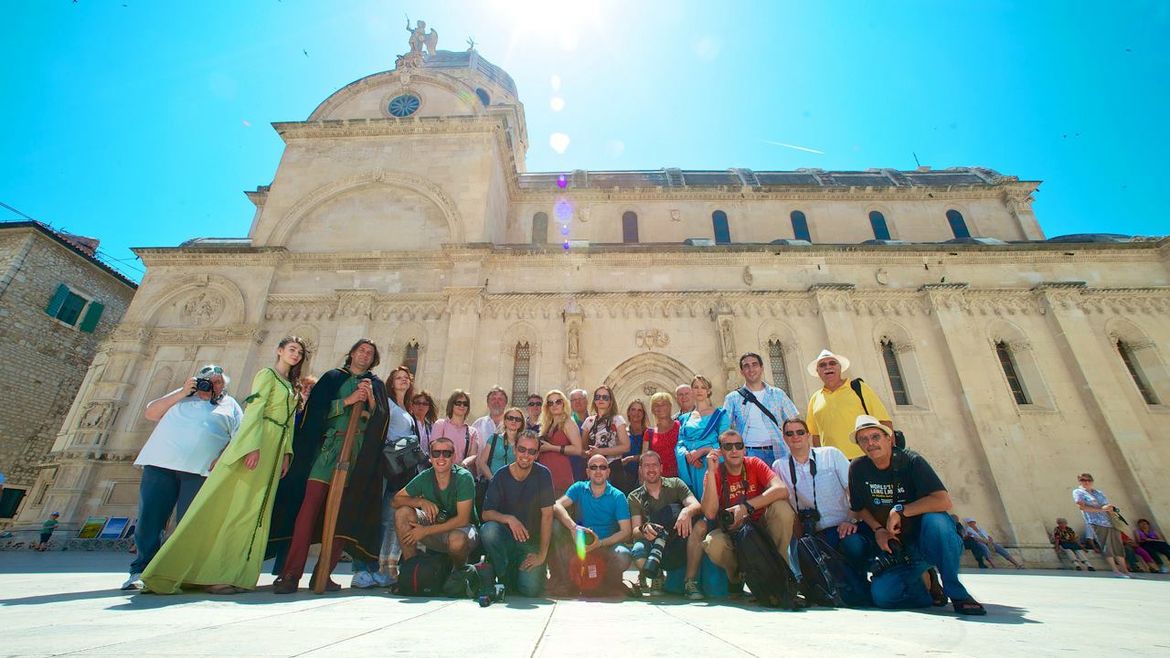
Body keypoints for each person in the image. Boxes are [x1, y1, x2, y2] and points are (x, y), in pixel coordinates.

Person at [142, 337, 306, 594]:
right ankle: (208, 573)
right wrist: (251, 445)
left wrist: (286, 453)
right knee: (234, 509)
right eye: (292, 350)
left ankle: (234, 572)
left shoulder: (289, 385)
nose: (296, 355)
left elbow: (287, 423)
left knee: (252, 513)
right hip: (259, 446)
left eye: (300, 352)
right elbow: (255, 410)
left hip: (275, 449)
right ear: (280, 351)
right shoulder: (267, 375)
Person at [270, 339, 389, 594]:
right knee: (308, 510)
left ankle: (324, 573)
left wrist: (370, 402)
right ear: (352, 353)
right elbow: (315, 413)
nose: (365, 355)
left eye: (370, 353)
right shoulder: (333, 378)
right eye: (361, 350)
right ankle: (291, 573)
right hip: (328, 451)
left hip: (356, 454)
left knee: (342, 515)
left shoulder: (376, 385)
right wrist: (348, 401)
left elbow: (380, 421)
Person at [848, 415, 986, 615]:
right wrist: (878, 530)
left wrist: (901, 511)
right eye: (864, 439)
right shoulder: (858, 468)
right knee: (884, 597)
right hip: (897, 549)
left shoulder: (911, 461)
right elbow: (859, 507)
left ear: (889, 439)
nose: (871, 443)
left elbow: (943, 501)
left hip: (925, 542)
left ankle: (957, 593)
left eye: (875, 437)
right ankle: (927, 587)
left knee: (937, 520)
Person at [123, 364, 243, 590]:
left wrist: (222, 457)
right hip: (160, 465)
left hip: (200, 471)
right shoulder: (180, 397)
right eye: (208, 381)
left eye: (218, 382)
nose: (213, 385)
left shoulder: (230, 405)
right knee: (150, 518)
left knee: (190, 523)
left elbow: (240, 436)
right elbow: (151, 412)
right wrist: (182, 391)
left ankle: (183, 571)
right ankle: (140, 570)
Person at [700, 429, 797, 592]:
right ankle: (738, 577)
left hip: (760, 524)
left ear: (744, 449)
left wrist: (745, 508)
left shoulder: (754, 463)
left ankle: (779, 570)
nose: (734, 450)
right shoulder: (714, 473)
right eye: (728, 446)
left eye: (738, 445)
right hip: (734, 531)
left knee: (782, 509)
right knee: (713, 543)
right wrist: (711, 472)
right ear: (720, 451)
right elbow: (709, 513)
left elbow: (781, 489)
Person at [773, 418, 869, 575]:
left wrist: (850, 520)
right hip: (813, 533)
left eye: (800, 432)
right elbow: (786, 506)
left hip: (843, 527)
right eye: (789, 433)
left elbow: (854, 491)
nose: (795, 437)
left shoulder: (831, 454)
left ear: (808, 435)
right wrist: (801, 536)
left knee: (855, 546)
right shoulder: (780, 466)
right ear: (784, 438)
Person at [352, 364, 418, 589]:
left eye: (406, 378)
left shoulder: (406, 409)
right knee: (373, 514)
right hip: (384, 466)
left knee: (391, 518)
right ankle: (362, 568)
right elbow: (375, 416)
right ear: (391, 382)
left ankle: (384, 568)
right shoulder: (387, 403)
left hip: (400, 470)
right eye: (398, 378)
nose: (403, 381)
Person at [481, 430, 555, 597]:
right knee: (489, 530)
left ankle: (519, 575)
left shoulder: (543, 474)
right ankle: (503, 574)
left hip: (530, 544)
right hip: (506, 541)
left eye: (531, 451)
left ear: (537, 454)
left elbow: (548, 515)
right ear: (514, 449)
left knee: (530, 590)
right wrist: (509, 519)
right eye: (522, 449)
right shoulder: (501, 475)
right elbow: (486, 513)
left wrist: (541, 556)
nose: (525, 455)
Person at [548, 454, 632, 595]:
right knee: (555, 526)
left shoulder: (618, 496)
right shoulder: (579, 488)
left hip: (606, 546)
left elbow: (626, 531)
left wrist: (600, 543)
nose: (598, 471)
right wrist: (573, 527)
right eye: (593, 467)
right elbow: (556, 505)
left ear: (608, 472)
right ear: (587, 472)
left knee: (623, 555)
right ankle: (568, 582)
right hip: (580, 544)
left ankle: (606, 584)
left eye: (602, 467)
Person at [627, 451, 706, 599]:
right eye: (646, 466)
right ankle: (656, 576)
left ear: (661, 468)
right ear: (640, 469)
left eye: (654, 465)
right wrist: (645, 529)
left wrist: (686, 512)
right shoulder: (634, 496)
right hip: (654, 543)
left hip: (677, 539)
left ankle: (690, 582)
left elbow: (696, 505)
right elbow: (635, 531)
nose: (651, 469)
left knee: (700, 525)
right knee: (638, 552)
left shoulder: (676, 484)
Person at [392, 435, 479, 568]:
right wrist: (420, 502)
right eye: (436, 453)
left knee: (456, 540)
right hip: (435, 529)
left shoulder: (464, 478)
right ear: (431, 458)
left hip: (462, 531)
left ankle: (459, 572)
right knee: (402, 513)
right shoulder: (426, 476)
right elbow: (396, 500)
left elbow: (463, 520)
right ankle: (411, 570)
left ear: (454, 457)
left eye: (447, 453)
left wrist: (425, 531)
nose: (441, 458)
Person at [805, 349, 893, 460]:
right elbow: (816, 436)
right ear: (818, 372)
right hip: (833, 463)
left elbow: (884, 421)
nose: (828, 367)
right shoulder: (815, 399)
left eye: (832, 363)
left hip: (865, 457)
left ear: (840, 368)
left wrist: (888, 455)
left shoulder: (859, 388)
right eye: (822, 365)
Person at [723, 352, 799, 465]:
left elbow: (795, 422)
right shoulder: (732, 398)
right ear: (741, 371)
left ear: (762, 368)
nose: (751, 369)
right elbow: (724, 428)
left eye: (754, 365)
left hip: (779, 452)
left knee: (782, 483)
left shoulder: (778, 394)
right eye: (746, 366)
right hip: (748, 453)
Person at [676, 375, 730, 499]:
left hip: (710, 462)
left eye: (703, 387)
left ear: (708, 391)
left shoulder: (720, 415)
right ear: (691, 391)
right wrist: (687, 454)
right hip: (691, 465)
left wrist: (703, 451)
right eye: (695, 387)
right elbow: (680, 443)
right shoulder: (685, 418)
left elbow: (725, 443)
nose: (699, 390)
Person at [1073, 473, 1130, 578]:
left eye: (1089, 480)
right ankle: (1115, 570)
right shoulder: (1078, 492)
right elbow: (1082, 507)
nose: (1086, 482)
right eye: (1083, 480)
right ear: (1079, 481)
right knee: (1106, 546)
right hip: (1096, 522)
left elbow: (1105, 503)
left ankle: (1125, 570)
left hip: (1110, 521)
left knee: (1117, 545)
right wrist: (1100, 509)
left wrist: (1108, 507)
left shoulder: (1098, 492)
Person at [581, 385, 632, 491]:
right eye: (598, 397)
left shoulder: (617, 420)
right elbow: (584, 447)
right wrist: (588, 453)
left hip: (614, 468)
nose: (601, 400)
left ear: (611, 401)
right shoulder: (588, 421)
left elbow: (626, 447)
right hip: (594, 468)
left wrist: (600, 451)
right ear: (594, 400)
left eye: (605, 397)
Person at [537, 390, 583, 496]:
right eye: (550, 403)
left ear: (564, 403)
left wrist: (551, 447)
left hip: (560, 472)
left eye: (558, 402)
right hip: (544, 473)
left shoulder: (568, 422)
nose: (554, 405)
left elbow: (578, 449)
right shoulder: (547, 424)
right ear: (547, 406)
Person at [478, 406, 526, 479]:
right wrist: (492, 480)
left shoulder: (524, 442)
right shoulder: (494, 439)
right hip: (494, 483)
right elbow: (482, 462)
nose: (514, 421)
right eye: (510, 418)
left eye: (518, 419)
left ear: (521, 423)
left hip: (515, 484)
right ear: (505, 420)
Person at [643, 392, 680, 478]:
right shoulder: (649, 433)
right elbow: (644, 459)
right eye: (656, 405)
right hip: (659, 480)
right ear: (652, 409)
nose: (660, 407)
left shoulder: (680, 426)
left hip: (682, 478)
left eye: (664, 404)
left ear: (670, 406)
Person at [471, 386, 509, 457]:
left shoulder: (512, 424)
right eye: (493, 399)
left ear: (505, 403)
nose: (496, 402)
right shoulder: (478, 424)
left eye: (500, 399)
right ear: (488, 403)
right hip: (480, 468)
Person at [620, 399, 647, 489]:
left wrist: (631, 458)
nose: (636, 413)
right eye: (633, 409)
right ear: (628, 413)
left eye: (640, 410)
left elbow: (650, 454)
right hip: (625, 478)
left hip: (644, 477)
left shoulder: (648, 432)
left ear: (643, 414)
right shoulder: (622, 433)